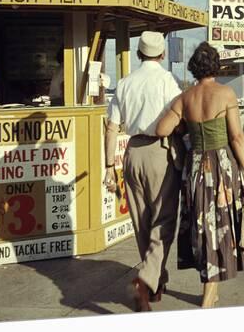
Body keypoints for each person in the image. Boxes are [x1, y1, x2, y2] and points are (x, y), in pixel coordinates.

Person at [156, 42, 244, 309]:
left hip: (195, 167)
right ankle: (208, 296)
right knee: (219, 227)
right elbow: (237, 137)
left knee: (201, 225)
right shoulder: (226, 94)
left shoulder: (184, 97)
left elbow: (162, 129)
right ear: (216, 65)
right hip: (221, 165)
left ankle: (210, 290)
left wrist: (183, 127)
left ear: (193, 67)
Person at [103, 31, 182, 312]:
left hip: (132, 153)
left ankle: (155, 283)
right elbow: (179, 116)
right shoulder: (166, 81)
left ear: (139, 53)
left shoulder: (124, 84)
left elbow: (111, 128)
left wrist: (109, 165)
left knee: (141, 221)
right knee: (165, 219)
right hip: (159, 152)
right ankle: (146, 279)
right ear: (161, 54)